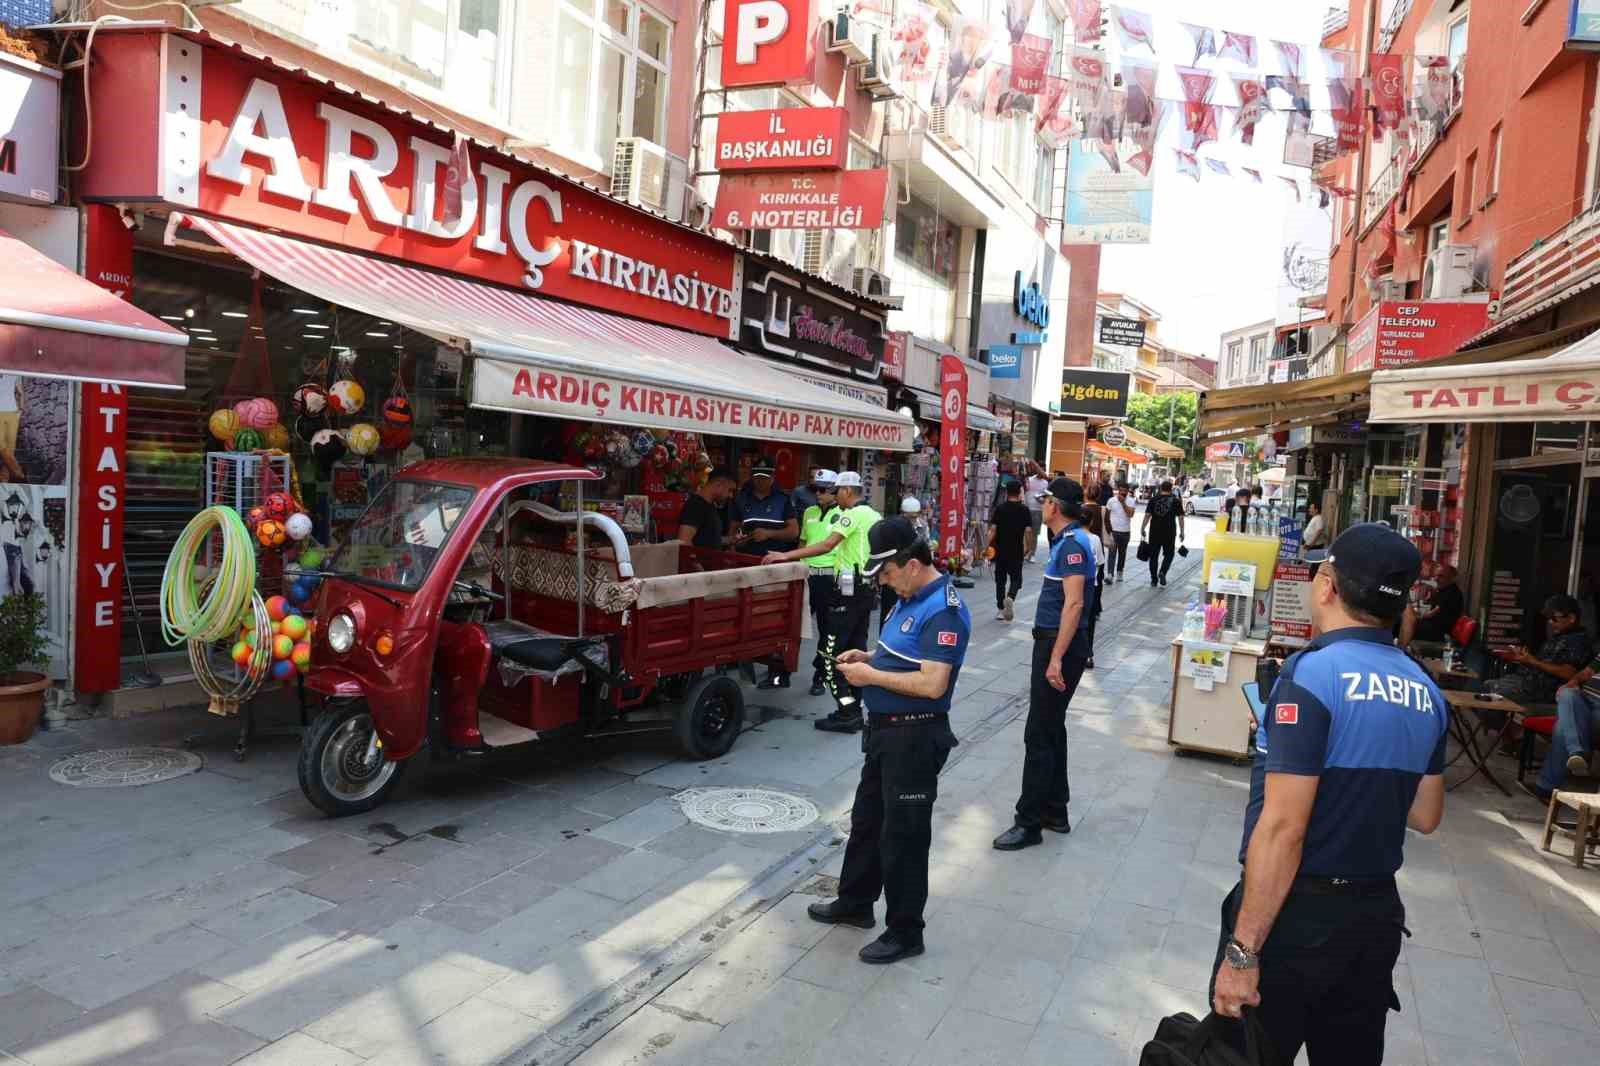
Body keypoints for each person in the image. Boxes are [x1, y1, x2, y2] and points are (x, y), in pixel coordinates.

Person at [1209, 523, 1446, 1065]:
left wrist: (1242, 956)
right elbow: (1427, 814)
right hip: (1373, 920)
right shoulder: (1425, 689)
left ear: (1326, 586)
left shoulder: (1312, 676)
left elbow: (1283, 829)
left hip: (1297, 919)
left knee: (1245, 1052)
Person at [807, 518, 968, 964]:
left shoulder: (944, 609)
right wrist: (870, 657)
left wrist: (869, 676)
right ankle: (855, 903)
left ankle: (905, 931)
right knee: (867, 821)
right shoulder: (910, 596)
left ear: (912, 565)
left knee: (904, 837)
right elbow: (902, 653)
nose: (882, 580)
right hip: (884, 732)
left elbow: (934, 684)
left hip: (914, 735)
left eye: (887, 572)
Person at [993, 477, 1096, 851]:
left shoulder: (1072, 545)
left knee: (1038, 733)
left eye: (1047, 499)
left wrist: (1055, 659)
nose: (1043, 504)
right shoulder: (1068, 542)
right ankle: (1055, 809)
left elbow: (1074, 604)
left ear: (1058, 506)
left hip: (1059, 646)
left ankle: (1029, 822)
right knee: (1052, 728)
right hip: (1058, 645)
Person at [765, 471, 881, 732]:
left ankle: (847, 711)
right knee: (856, 651)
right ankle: (854, 709)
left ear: (848, 492)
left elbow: (827, 545)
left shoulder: (850, 515)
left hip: (848, 591)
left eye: (836, 490)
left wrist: (786, 556)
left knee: (831, 655)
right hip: (863, 592)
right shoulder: (874, 515)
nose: (830, 494)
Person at [1486, 594, 1591, 706]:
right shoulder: (1559, 636)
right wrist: (1525, 659)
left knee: (1490, 694)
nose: (1550, 622)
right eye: (1549, 618)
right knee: (1487, 686)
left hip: (1542, 693)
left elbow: (1570, 673)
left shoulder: (1579, 641)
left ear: (1571, 618)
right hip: (1527, 684)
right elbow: (1542, 664)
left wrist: (1533, 661)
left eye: (1554, 618)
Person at [788, 469, 840, 696]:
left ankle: (821, 675)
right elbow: (802, 543)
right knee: (792, 625)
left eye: (822, 490)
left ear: (835, 491)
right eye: (814, 489)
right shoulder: (809, 511)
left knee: (826, 631)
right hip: (806, 576)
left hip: (829, 578)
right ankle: (780, 672)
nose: (817, 493)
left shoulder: (844, 514)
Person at [1534, 649, 1600, 801]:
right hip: (1585, 701)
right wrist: (1574, 681)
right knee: (1567, 694)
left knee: (1563, 726)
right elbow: (1587, 672)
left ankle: (1546, 787)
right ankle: (1577, 753)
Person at [731, 457, 799, 554]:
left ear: (773, 477)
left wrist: (768, 534)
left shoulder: (783, 499)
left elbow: (794, 532)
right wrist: (735, 544)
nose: (760, 481)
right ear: (752, 477)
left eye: (764, 477)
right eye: (757, 477)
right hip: (746, 557)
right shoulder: (741, 499)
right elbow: (733, 529)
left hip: (774, 559)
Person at [881, 497, 926, 632]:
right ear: (901, 513)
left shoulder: (922, 526)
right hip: (895, 573)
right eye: (908, 517)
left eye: (914, 517)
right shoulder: (891, 527)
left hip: (913, 575)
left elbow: (925, 547)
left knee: (911, 611)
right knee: (889, 610)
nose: (911, 520)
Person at [988, 480, 1031, 622]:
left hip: (1000, 550)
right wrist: (1028, 547)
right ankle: (1011, 597)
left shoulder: (1000, 509)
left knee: (1000, 580)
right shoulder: (1024, 510)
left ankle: (1000, 609)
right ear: (1019, 492)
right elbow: (1028, 531)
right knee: (1016, 578)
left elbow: (993, 530)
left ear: (1007, 492)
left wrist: (984, 546)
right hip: (1017, 550)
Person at [676, 467, 736, 549]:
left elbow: (706, 539)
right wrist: (698, 561)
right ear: (718, 484)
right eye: (730, 490)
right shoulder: (696, 505)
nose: (731, 496)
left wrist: (728, 540)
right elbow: (684, 541)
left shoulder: (709, 505)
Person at [1140, 479, 1185, 588]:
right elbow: (1181, 517)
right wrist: (1182, 531)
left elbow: (1147, 515)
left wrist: (1142, 527)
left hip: (1155, 531)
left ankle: (1154, 580)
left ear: (1160, 488)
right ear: (1171, 489)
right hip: (1169, 531)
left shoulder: (1153, 499)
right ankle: (1163, 572)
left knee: (1153, 555)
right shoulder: (1176, 501)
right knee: (1169, 554)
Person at [1406, 564, 1464, 645]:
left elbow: (1432, 613)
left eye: (1441, 576)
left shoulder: (1453, 593)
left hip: (1440, 632)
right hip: (1432, 626)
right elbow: (1424, 602)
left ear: (1451, 578)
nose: (1436, 579)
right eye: (1436, 576)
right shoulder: (1442, 590)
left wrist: (1415, 617)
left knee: (1405, 624)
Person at [1081, 503, 1107, 670]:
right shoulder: (1095, 539)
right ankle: (1088, 655)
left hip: (1072, 586)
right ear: (1091, 523)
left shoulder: (1070, 537)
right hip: (1091, 586)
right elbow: (1099, 562)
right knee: (1089, 622)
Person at [1105, 482, 1136, 583]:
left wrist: (1123, 503)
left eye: (1125, 491)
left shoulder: (1131, 501)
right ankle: (1110, 574)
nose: (1123, 493)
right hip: (1114, 531)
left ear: (1128, 491)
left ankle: (1119, 572)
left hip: (1125, 531)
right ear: (1118, 490)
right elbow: (1107, 516)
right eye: (1121, 490)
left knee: (1122, 553)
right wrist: (1108, 531)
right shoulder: (1111, 501)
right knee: (1112, 553)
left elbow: (1130, 514)